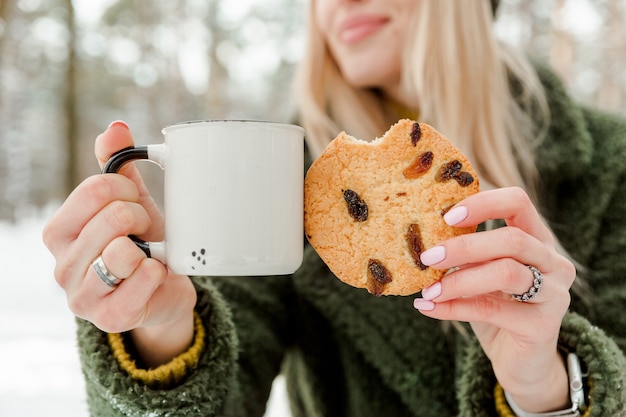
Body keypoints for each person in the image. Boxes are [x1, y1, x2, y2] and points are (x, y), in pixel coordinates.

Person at [43, 1, 626, 416]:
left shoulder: (612, 166)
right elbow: (221, 397)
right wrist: (162, 326)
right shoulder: (281, 176)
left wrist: (543, 385)